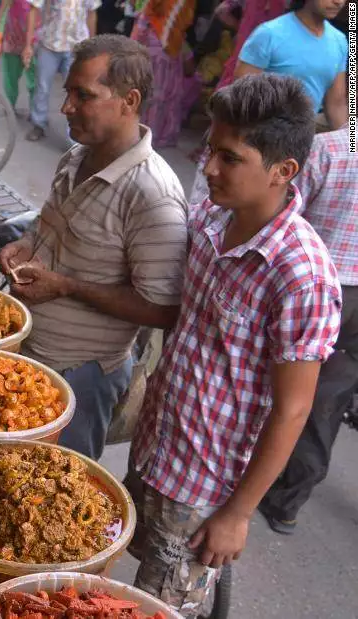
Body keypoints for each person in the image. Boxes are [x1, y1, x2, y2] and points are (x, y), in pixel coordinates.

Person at [129, 74, 341, 615]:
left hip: (204, 488)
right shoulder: (210, 216)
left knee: (160, 608)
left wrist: (239, 513)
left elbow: (293, 410)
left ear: (283, 171)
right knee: (131, 587)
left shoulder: (301, 275)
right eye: (210, 150)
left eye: (230, 158)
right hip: (156, 446)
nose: (209, 168)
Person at [0, 35, 188, 460]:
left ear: (129, 101)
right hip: (26, 354)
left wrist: (65, 286)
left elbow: (163, 309)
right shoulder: (76, 157)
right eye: (68, 92)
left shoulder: (152, 194)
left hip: (81, 377)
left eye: (83, 96)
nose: (66, 107)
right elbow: (49, 227)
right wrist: (25, 245)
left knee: (58, 483)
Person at [258, 127, 358, 534]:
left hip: (315, 285)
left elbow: (286, 211)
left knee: (281, 387)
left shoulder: (333, 147)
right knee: (329, 397)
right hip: (342, 296)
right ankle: (288, 503)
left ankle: (251, 480)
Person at [235, 0, 347, 129]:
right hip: (262, 133)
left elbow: (336, 104)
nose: (338, 2)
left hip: (303, 136)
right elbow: (241, 97)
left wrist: (350, 140)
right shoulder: (269, 34)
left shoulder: (339, 41)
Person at [22, 0, 102, 142]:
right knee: (42, 87)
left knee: (77, 92)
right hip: (49, 44)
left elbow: (92, 13)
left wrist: (92, 46)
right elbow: (33, 9)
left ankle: (74, 135)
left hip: (77, 47)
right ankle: (38, 123)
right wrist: (28, 45)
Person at [130, 0, 198, 148]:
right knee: (159, 96)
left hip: (154, 51)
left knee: (149, 95)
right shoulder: (173, 31)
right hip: (165, 52)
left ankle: (142, 137)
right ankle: (155, 137)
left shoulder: (149, 19)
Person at [0, 0, 39, 112]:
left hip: (34, 39)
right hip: (12, 37)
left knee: (34, 78)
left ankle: (35, 111)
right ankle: (10, 106)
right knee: (11, 77)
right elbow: (3, 8)